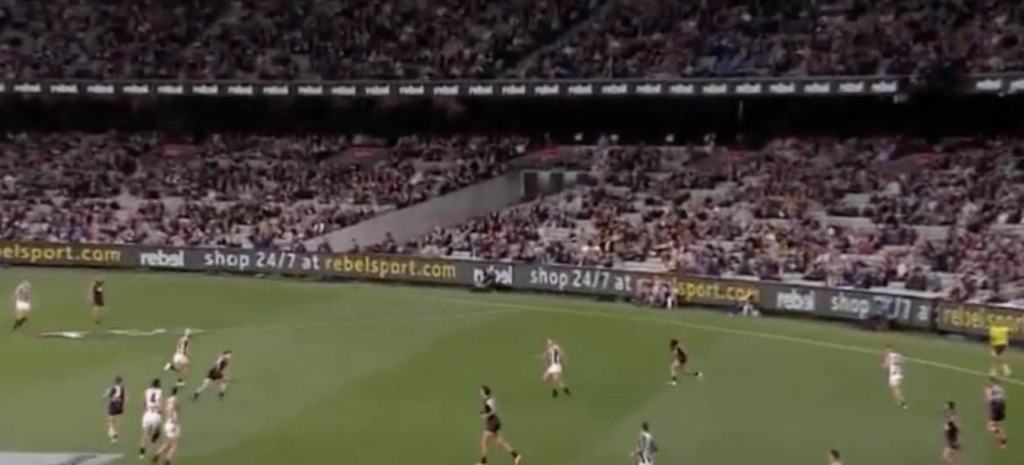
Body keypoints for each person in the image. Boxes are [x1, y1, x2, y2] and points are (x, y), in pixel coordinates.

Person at [476, 385, 521, 465]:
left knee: (484, 441)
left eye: (481, 391)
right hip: (494, 422)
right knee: (500, 442)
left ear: (484, 392)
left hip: (492, 423)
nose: (480, 393)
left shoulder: (489, 400)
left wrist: (485, 415)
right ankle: (515, 455)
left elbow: (493, 411)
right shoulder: (487, 399)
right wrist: (484, 413)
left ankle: (483, 461)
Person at [152, 387, 181, 465]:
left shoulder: (167, 401)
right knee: (175, 444)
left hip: (167, 423)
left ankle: (157, 455)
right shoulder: (174, 400)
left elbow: (165, 410)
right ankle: (167, 461)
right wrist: (174, 422)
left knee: (168, 443)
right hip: (172, 424)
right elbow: (173, 409)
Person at [139, 379, 163, 459]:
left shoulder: (147, 391)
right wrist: (160, 412)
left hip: (147, 414)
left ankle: (141, 453)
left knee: (144, 433)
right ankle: (156, 452)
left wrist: (145, 410)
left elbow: (143, 403)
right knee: (157, 433)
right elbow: (160, 405)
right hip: (155, 415)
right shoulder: (160, 392)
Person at [985, 377, 1008, 449]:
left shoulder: (989, 389)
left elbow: (990, 399)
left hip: (996, 405)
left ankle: (997, 431)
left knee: (990, 426)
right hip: (1002, 405)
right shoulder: (1000, 388)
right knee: (997, 424)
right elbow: (1003, 397)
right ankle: (1003, 443)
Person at [105, 376, 126, 443]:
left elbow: (109, 396)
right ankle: (114, 435)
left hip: (113, 405)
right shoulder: (122, 389)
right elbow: (123, 398)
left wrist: (105, 395)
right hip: (119, 405)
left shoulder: (114, 388)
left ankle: (111, 432)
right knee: (116, 420)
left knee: (111, 419)